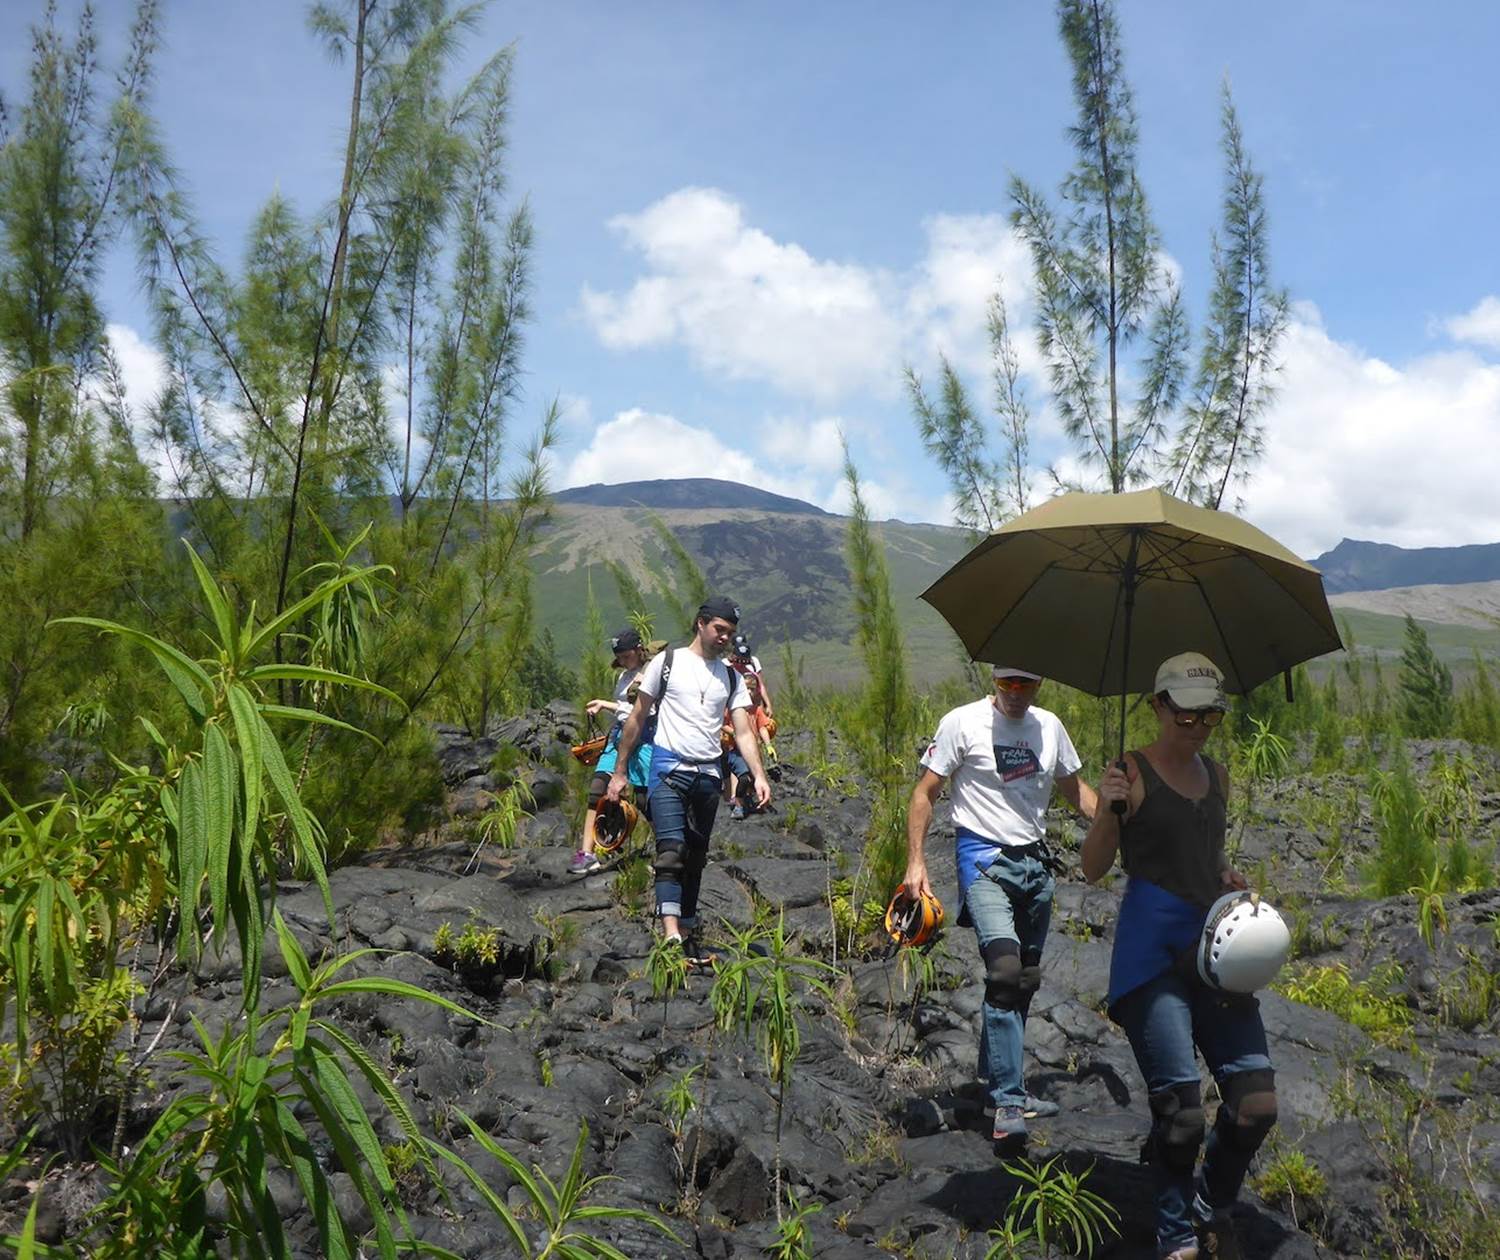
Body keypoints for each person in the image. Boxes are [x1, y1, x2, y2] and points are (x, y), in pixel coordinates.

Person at [1083, 652, 1273, 1260]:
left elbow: (1207, 857)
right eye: (1185, 714)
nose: (1196, 727)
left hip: (1216, 951)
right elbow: (1092, 869)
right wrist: (1110, 811)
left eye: (1210, 715)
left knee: (1255, 1105)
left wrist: (1226, 876)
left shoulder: (1218, 776)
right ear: (1159, 706)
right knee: (1182, 1114)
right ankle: (1177, 1235)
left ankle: (1210, 1203)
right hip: (1151, 957)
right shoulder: (1130, 773)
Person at [904, 666, 1097, 1149]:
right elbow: (924, 792)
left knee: (1026, 980)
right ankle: (1010, 1103)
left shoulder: (1050, 727)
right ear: (994, 681)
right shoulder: (962, 723)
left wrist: (1119, 813)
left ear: (1039, 685)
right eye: (1007, 683)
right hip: (984, 861)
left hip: (1035, 865)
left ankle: (993, 1083)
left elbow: (1076, 793)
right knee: (1006, 974)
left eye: (1026, 684)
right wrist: (916, 863)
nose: (1015, 693)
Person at [608, 598, 771, 963]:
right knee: (671, 851)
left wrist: (758, 775)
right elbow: (637, 717)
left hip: (708, 777)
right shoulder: (667, 664)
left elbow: (744, 731)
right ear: (701, 624)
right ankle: (670, 935)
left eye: (730, 633)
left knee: (696, 857)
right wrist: (619, 771)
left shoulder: (729, 675)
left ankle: (686, 929)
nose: (725, 638)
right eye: (719, 630)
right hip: (667, 770)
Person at [569, 629, 654, 875]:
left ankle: (669, 851)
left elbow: (642, 709)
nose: (624, 662)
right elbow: (624, 709)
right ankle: (587, 854)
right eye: (621, 658)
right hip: (618, 736)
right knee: (597, 789)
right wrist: (606, 706)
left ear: (639, 649)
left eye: (627, 656)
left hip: (644, 737)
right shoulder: (625, 676)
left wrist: (607, 705)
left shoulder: (651, 672)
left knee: (644, 799)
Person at [726, 671, 775, 818]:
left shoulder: (757, 710)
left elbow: (762, 728)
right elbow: (722, 724)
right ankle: (738, 805)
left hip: (754, 751)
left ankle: (750, 801)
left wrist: (768, 746)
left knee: (754, 779)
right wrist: (734, 732)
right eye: (746, 688)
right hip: (736, 751)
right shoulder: (733, 709)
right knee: (744, 777)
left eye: (752, 689)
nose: (748, 692)